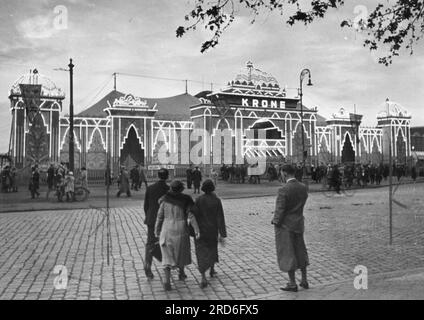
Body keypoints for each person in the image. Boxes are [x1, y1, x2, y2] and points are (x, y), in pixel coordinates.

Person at [155, 180, 199, 291]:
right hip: (181, 228)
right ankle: (182, 272)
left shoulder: (164, 200)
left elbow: (159, 217)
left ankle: (167, 281)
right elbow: (191, 215)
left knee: (167, 256)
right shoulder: (186, 199)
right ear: (181, 189)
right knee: (181, 251)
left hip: (166, 228)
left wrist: (157, 231)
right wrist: (196, 229)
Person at [272, 164, 309, 292]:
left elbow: (280, 209)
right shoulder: (303, 187)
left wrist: (276, 222)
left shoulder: (283, 189)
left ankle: (292, 283)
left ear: (285, 173)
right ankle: (304, 279)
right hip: (298, 223)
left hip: (286, 225)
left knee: (288, 253)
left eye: (281, 172)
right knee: (300, 250)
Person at [192, 179, 227, 288]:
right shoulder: (216, 200)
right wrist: (222, 233)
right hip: (212, 230)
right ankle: (212, 269)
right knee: (212, 249)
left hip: (201, 230)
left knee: (201, 252)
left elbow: (194, 215)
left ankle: (203, 276)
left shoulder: (198, 200)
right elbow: (220, 217)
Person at [143, 168, 170, 279]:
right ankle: (168, 266)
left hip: (151, 219)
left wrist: (149, 216)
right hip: (165, 220)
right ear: (167, 177)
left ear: (158, 176)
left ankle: (147, 264)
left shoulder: (150, 188)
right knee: (166, 243)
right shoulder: (168, 189)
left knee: (150, 242)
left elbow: (146, 205)